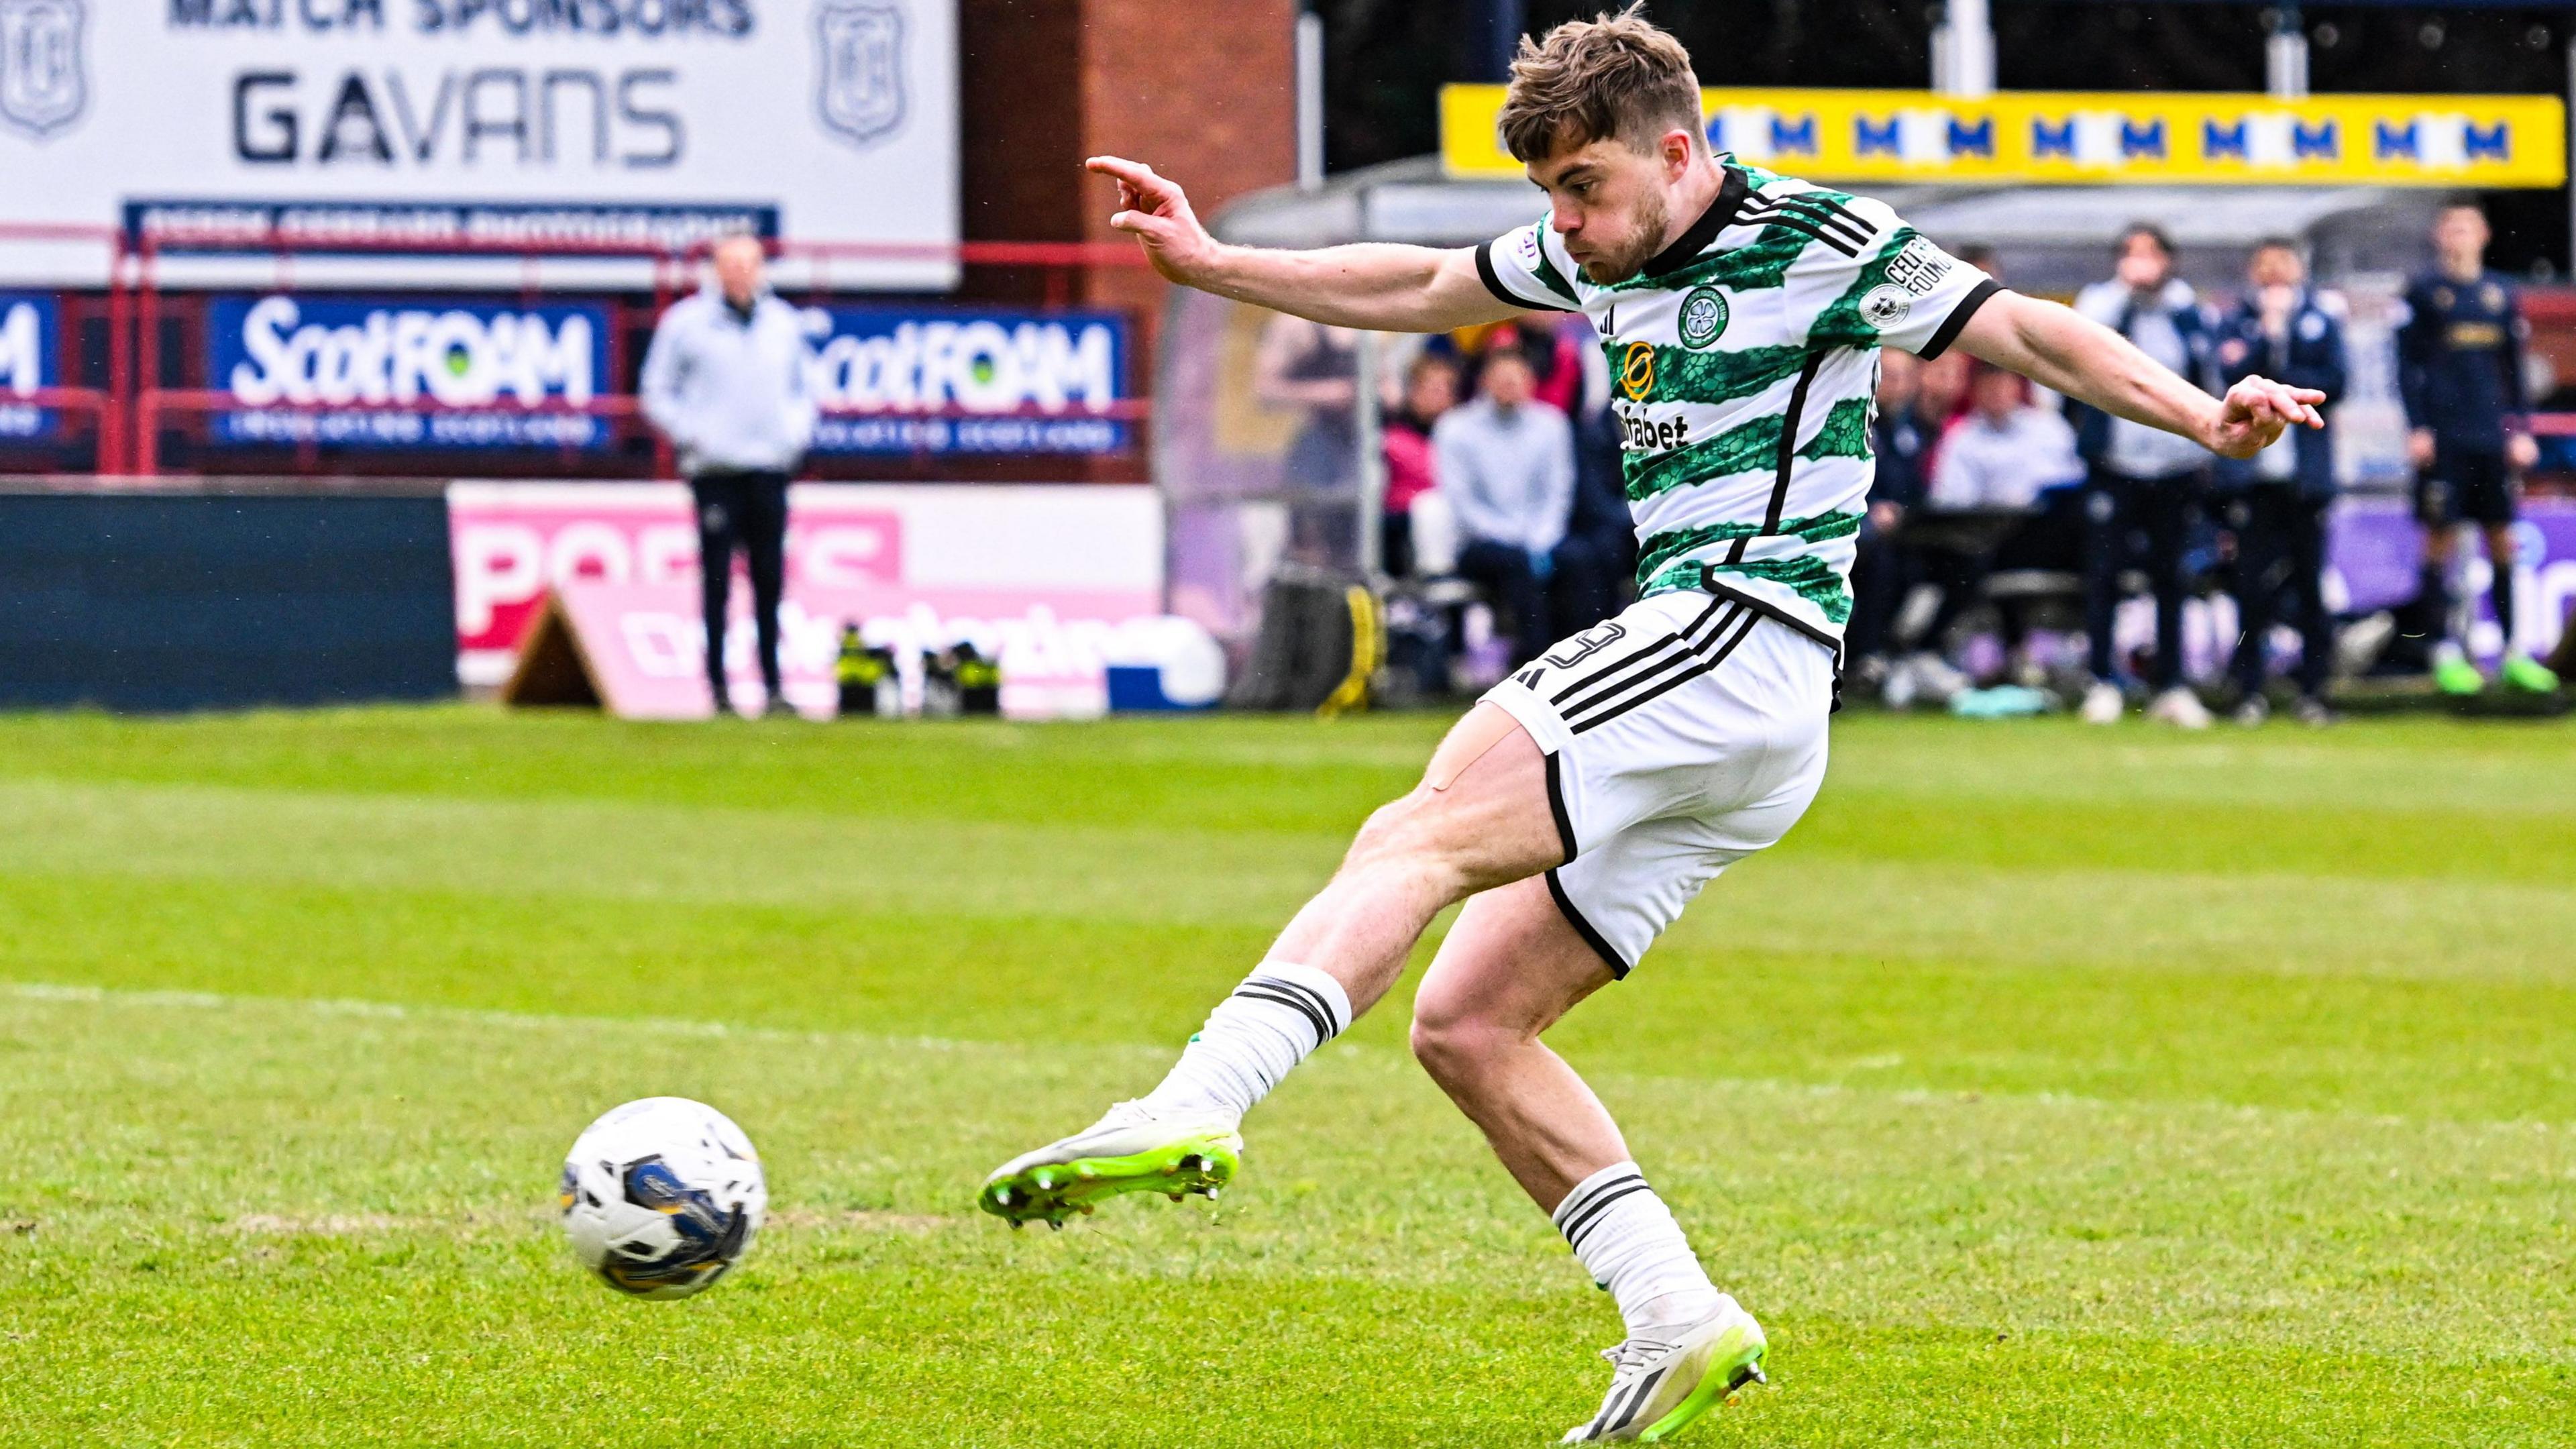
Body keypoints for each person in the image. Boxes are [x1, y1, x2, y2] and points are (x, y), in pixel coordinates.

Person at [977, 11, 2319, 1441]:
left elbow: (2024, 326)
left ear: (1677, 152)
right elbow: (1430, 283)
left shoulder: (1822, 237)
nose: (1566, 223)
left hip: (1741, 629)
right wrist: (1217, 261)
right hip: (1752, 719)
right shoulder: (1592, 241)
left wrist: (2194, 412)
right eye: (1549, 193)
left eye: (1585, 188)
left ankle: (1194, 1100)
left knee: (1415, 832)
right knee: (1471, 1023)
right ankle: (1676, 1315)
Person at [639, 235, 817, 717]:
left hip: (769, 468)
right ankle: (717, 687)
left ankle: (773, 686)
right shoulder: (686, 324)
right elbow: (656, 389)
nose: (740, 273)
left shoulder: (783, 324)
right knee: (716, 581)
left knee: (770, 580)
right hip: (715, 471)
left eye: (749, 263)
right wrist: (693, 436)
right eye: (730, 264)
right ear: (715, 269)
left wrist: (792, 437)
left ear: (763, 268)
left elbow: (806, 389)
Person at [2398, 201, 2561, 695]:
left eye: (2467, 227)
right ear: (2439, 236)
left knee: (2501, 540)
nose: (2459, 236)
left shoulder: (2500, 294)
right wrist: (2418, 426)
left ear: (2484, 235)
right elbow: (2407, 367)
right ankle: (2442, 651)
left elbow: (2515, 368)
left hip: (2491, 438)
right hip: (2444, 438)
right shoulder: (2425, 293)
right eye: (2450, 227)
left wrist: (2524, 430)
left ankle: (2513, 652)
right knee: (2439, 540)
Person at [2070, 223, 2221, 727]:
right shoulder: (2101, 304)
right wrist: (2129, 297)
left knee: (2171, 577)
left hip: (2175, 467)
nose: (2142, 263)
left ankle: (2173, 686)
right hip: (2115, 466)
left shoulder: (2187, 309)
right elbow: (2083, 360)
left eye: (2152, 253)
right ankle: (2102, 682)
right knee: (2105, 576)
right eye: (2132, 253)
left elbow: (2206, 374)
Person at [2214, 239, 2349, 725]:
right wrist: (2267, 337)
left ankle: (2315, 692)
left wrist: (2282, 357)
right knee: (2251, 589)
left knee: (2312, 589)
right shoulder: (2237, 321)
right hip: (2254, 479)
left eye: (2283, 265)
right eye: (2265, 266)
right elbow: (2230, 374)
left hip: (2305, 479)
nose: (2274, 275)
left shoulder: (2319, 318)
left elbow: (2336, 381)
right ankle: (2249, 690)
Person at [1918, 361, 2087, 682]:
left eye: (2004, 384)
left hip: (2049, 540)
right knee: (1967, 560)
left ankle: (2091, 658)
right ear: (1977, 391)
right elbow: (1949, 501)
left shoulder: (2049, 429)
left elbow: (2073, 483)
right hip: (1987, 543)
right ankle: (1932, 652)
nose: (1997, 393)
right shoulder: (1962, 438)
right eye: (1989, 386)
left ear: (2017, 388)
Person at [1433, 346, 1597, 665]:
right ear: (1484, 382)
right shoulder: (1454, 428)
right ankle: (1532, 662)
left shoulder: (1552, 425)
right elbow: (1462, 504)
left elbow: (1558, 493)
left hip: (1541, 537)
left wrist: (1541, 539)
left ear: (1531, 381)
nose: (1510, 386)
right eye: (1502, 379)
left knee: (1582, 561)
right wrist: (1517, 539)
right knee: (1515, 564)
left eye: (1517, 378)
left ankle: (1581, 661)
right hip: (1481, 543)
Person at [1847, 350, 1929, 690]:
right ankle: (1864, 654)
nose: (1894, 386)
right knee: (1879, 563)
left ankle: (1915, 652)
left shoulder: (1914, 431)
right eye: (1887, 376)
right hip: (1855, 532)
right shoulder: (1854, 425)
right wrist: (1872, 511)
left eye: (1902, 377)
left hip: (1908, 534)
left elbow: (1919, 491)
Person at [1381, 352, 1460, 578]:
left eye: (1447, 390)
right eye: (1433, 389)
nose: (1441, 396)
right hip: (1402, 522)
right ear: (1413, 391)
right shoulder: (1390, 436)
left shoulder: (1463, 437)